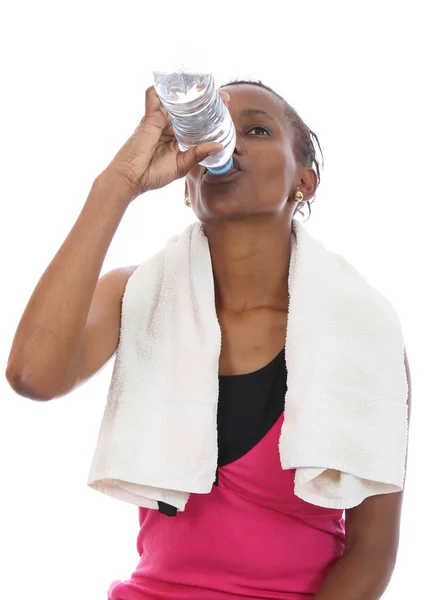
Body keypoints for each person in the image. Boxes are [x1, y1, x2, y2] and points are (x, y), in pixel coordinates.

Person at [6, 80, 411, 600]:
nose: (226, 142)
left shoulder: (362, 336)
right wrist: (120, 183)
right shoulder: (136, 298)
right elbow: (32, 375)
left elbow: (371, 554)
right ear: (187, 182)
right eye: (208, 128)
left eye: (256, 129)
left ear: (303, 183)